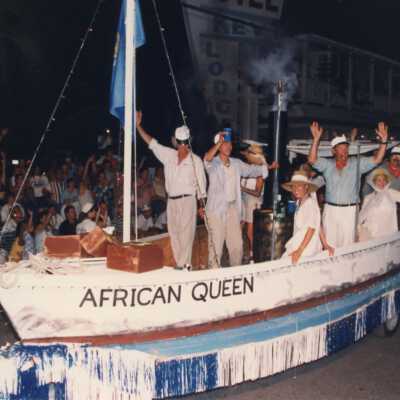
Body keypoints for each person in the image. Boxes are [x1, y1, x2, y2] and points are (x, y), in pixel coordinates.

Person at [136, 111, 207, 268]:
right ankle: (180, 264)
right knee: (174, 233)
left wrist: (202, 206)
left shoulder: (195, 161)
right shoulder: (168, 155)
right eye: (179, 143)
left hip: (188, 200)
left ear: (187, 142)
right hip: (172, 201)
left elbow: (202, 187)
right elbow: (152, 143)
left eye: (183, 143)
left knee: (186, 234)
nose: (181, 146)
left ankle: (184, 265)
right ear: (175, 142)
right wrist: (138, 126)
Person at [308, 121, 388, 248]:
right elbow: (312, 160)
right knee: (329, 245)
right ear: (334, 151)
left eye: (346, 148)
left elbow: (377, 159)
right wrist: (316, 139)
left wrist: (383, 141)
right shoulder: (327, 165)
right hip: (330, 210)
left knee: (348, 246)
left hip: (350, 210)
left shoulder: (357, 163)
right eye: (340, 149)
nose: (344, 151)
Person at [204, 132, 270, 268]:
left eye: (230, 144)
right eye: (225, 144)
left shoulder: (236, 163)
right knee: (216, 248)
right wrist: (218, 143)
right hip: (216, 211)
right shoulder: (213, 164)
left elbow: (252, 170)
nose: (229, 146)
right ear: (219, 146)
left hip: (233, 209)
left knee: (237, 247)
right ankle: (213, 276)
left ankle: (235, 274)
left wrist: (267, 167)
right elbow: (206, 158)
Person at [240, 142, 277, 262]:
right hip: (244, 199)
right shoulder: (249, 168)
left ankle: (252, 253)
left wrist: (242, 188)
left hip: (253, 200)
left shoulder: (259, 173)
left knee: (251, 230)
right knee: (242, 227)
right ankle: (244, 251)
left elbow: (257, 192)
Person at [281, 171, 322, 264]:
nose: (295, 189)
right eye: (293, 187)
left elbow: (311, 228)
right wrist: (325, 244)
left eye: (299, 186)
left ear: (306, 187)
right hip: (298, 243)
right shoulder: (299, 203)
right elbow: (318, 224)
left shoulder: (310, 204)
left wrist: (299, 251)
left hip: (306, 250)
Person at [358, 168, 400, 240]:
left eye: (384, 180)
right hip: (372, 233)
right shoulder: (368, 197)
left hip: (389, 233)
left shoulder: (391, 192)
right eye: (379, 180)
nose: (382, 183)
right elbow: (361, 216)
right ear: (374, 182)